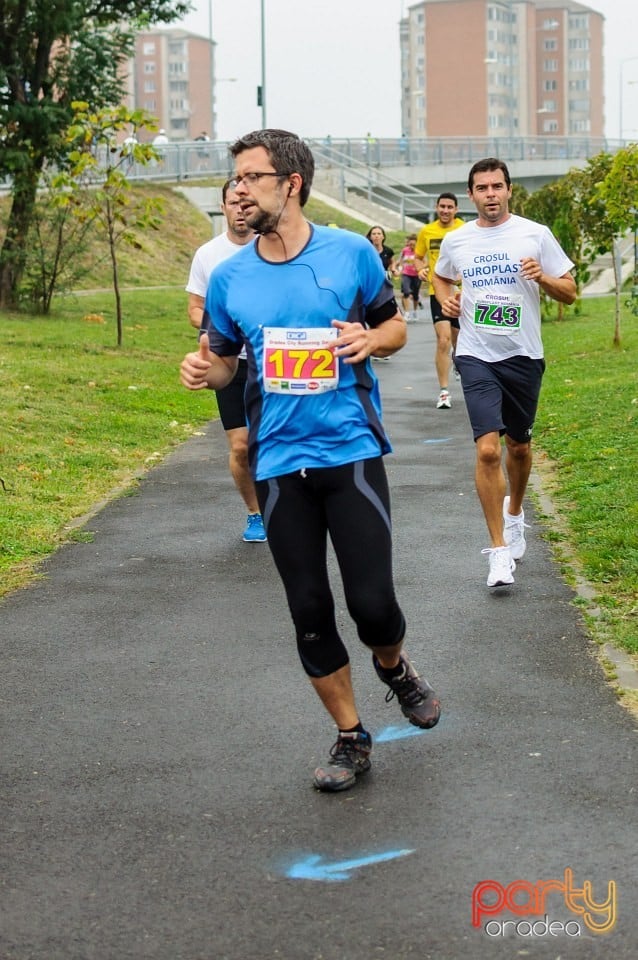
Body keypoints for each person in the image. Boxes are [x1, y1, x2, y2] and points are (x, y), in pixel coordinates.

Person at [180, 129, 440, 791]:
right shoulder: (230, 277)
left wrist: (369, 339)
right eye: (235, 178)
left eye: (250, 177)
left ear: (290, 183)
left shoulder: (351, 254)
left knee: (373, 605)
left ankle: (395, 668)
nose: (237, 189)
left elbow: (395, 328)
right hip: (277, 464)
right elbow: (225, 365)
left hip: (349, 450)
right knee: (309, 609)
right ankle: (352, 736)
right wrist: (202, 370)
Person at [432, 158, 576, 589]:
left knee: (519, 447)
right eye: (482, 188)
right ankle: (498, 551)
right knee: (489, 451)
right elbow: (439, 277)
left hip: (523, 356)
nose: (490, 194)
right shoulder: (457, 241)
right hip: (476, 355)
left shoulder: (535, 234)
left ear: (509, 190)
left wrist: (544, 277)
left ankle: (515, 514)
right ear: (471, 195)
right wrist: (448, 300)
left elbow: (570, 292)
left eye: (497, 186)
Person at [185, 181, 266, 543]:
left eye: (246, 202)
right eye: (233, 202)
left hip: (270, 361)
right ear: (223, 205)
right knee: (240, 445)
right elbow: (193, 309)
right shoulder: (208, 255)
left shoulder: (274, 250)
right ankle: (256, 513)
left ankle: (287, 505)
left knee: (272, 440)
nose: (240, 209)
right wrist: (225, 326)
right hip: (228, 361)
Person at [415, 194, 464, 409]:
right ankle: (444, 392)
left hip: (461, 293)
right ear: (436, 208)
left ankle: (457, 360)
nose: (445, 210)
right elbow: (418, 256)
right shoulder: (427, 231)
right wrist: (420, 269)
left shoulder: (465, 230)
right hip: (438, 291)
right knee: (443, 339)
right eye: (442, 206)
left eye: (449, 207)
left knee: (457, 340)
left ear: (456, 209)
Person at [397, 233, 421, 321]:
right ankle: (407, 313)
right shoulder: (405, 250)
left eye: (413, 245)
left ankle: (415, 312)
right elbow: (401, 260)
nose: (411, 246)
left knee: (415, 295)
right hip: (406, 274)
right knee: (406, 292)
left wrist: (420, 267)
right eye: (410, 244)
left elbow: (426, 262)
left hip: (416, 275)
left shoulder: (419, 251)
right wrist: (400, 268)